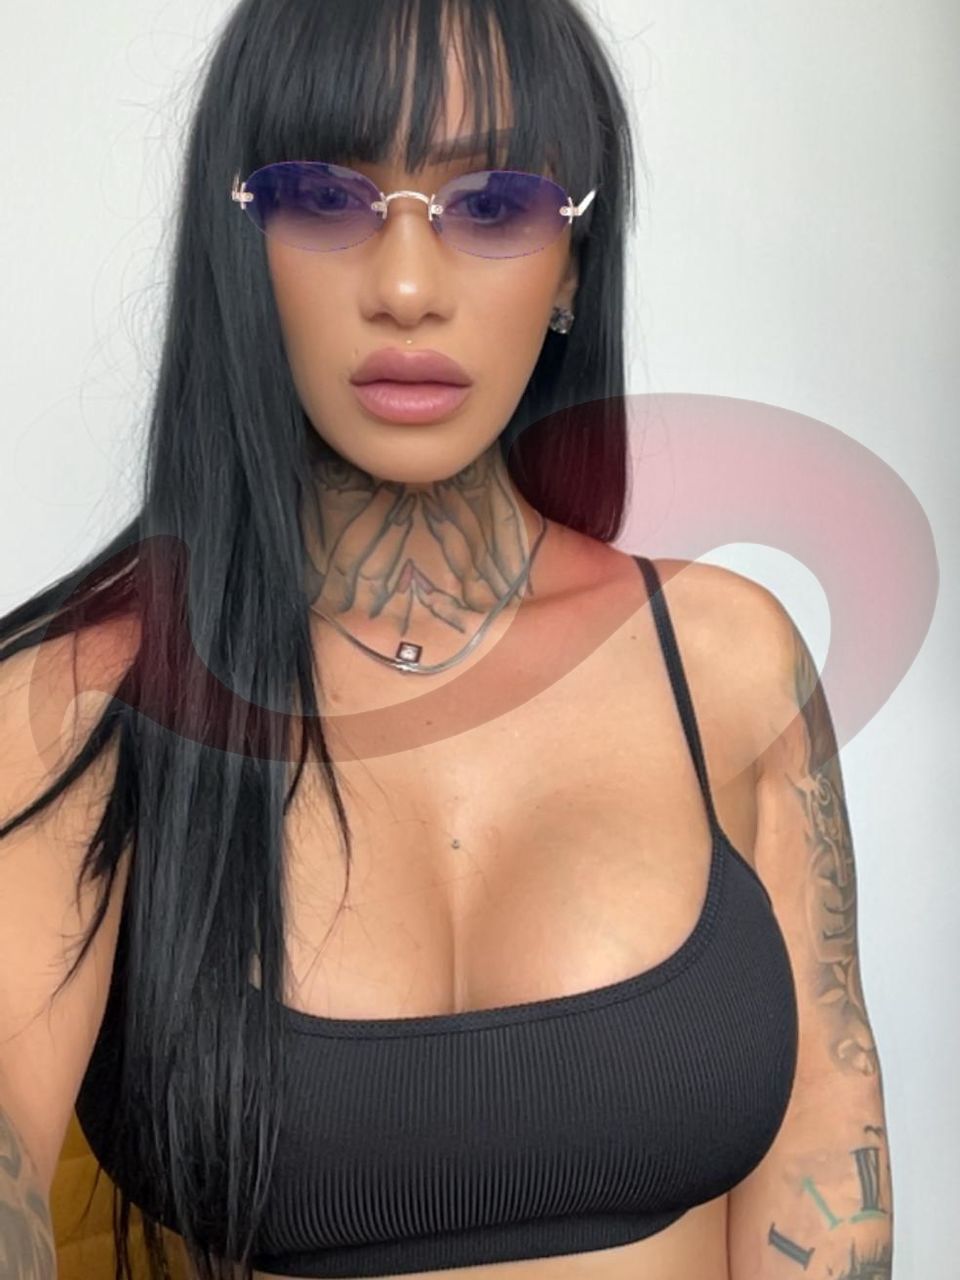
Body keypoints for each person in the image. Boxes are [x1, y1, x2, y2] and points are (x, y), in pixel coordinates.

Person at [0, 1, 893, 1278]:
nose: (408, 289)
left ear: (573, 263)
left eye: (492, 205)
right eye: (326, 198)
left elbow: (827, 1177)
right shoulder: (79, 701)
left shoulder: (732, 665)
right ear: (240, 243)